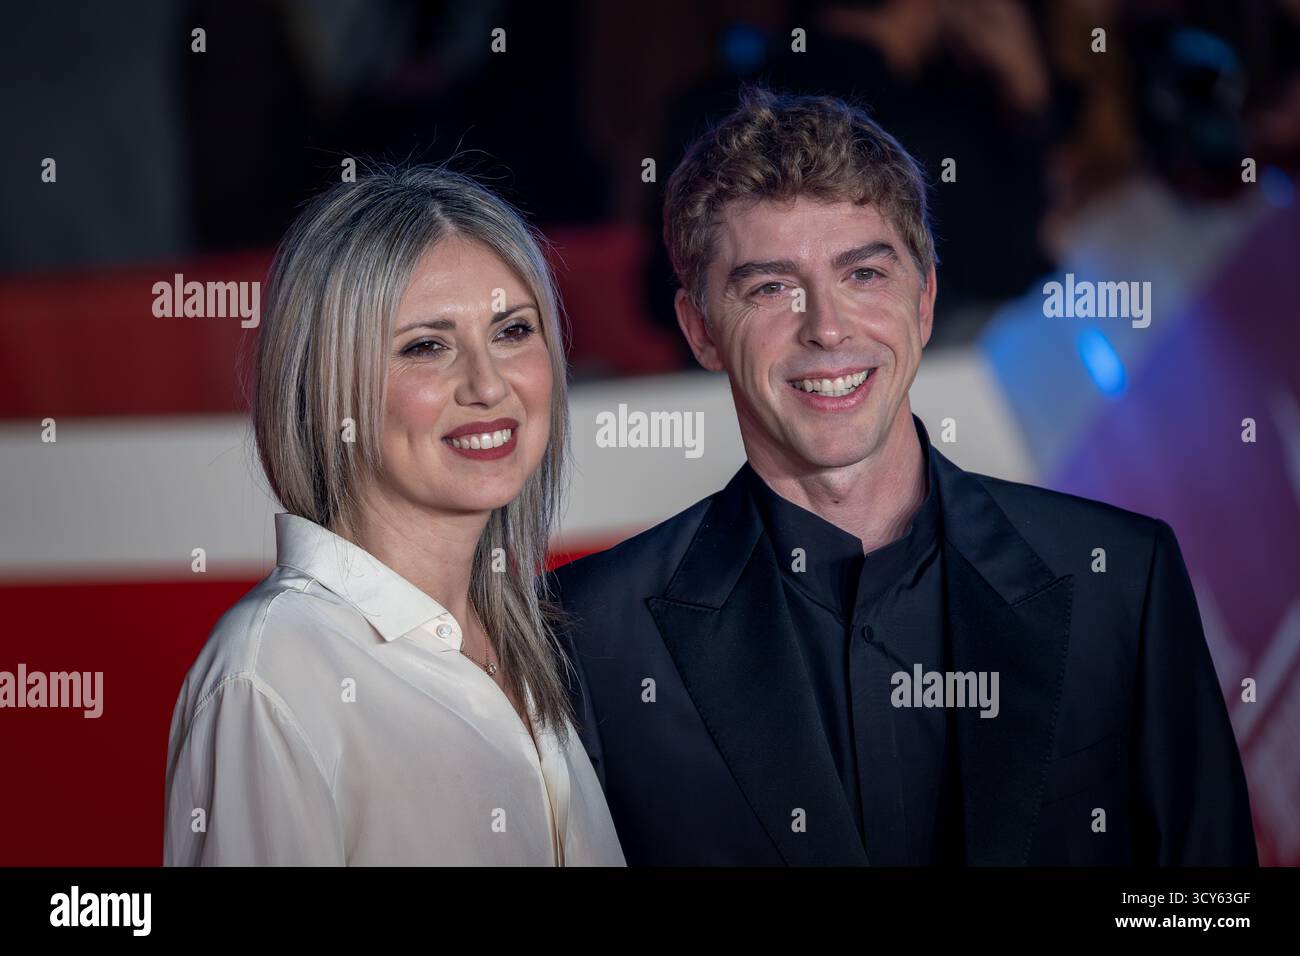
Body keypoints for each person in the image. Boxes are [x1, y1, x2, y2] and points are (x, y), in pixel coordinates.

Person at [549, 86, 1257, 866]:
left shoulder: (1121, 578)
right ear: (700, 329)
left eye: (863, 275)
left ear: (923, 302)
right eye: (770, 288)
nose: (826, 327)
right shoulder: (593, 633)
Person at [164, 165, 625, 866]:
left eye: (512, 330)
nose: (488, 383)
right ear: (329, 385)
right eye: (426, 346)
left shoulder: (535, 645)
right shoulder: (270, 674)